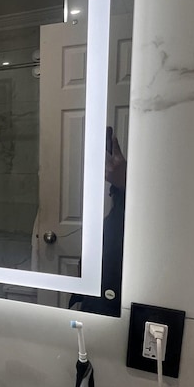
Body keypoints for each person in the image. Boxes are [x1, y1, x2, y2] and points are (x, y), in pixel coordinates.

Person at [70, 130, 126, 316]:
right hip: (97, 297)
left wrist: (125, 183)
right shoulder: (118, 203)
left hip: (111, 301)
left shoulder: (132, 204)